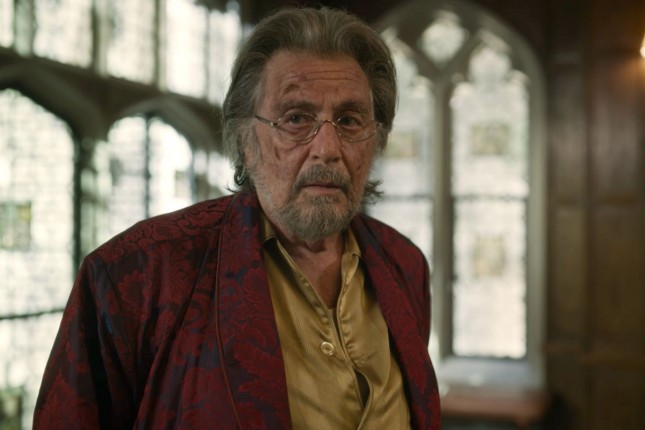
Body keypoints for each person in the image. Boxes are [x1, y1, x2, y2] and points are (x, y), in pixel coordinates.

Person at [34, 6, 440, 430]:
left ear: (376, 140)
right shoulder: (136, 275)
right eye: (296, 119)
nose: (327, 149)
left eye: (350, 120)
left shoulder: (404, 265)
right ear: (246, 140)